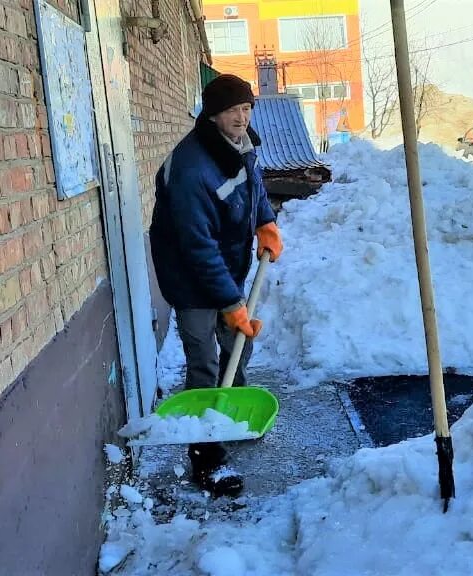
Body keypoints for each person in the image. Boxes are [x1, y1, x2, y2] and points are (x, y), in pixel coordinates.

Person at [149, 74, 283, 497]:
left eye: (246, 109)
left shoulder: (239, 145)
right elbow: (197, 246)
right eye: (232, 111)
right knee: (204, 357)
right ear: (212, 115)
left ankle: (232, 411)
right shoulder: (191, 169)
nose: (242, 117)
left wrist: (264, 220)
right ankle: (206, 456)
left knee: (236, 340)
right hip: (189, 275)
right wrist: (229, 300)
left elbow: (253, 183)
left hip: (225, 265)